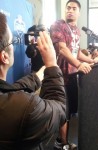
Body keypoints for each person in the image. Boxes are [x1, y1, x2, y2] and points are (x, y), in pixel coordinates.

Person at [0, 12, 66, 150]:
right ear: (4, 57)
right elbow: (59, 109)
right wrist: (52, 64)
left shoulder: (9, 100)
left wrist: (40, 74)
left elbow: (9, 90)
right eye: (12, 42)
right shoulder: (27, 107)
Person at [50, 0, 95, 149]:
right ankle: (62, 143)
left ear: (78, 13)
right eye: (68, 8)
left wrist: (92, 61)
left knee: (69, 112)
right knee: (64, 111)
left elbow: (76, 53)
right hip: (60, 77)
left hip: (72, 77)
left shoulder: (76, 31)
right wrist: (79, 65)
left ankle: (62, 140)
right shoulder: (58, 25)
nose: (70, 10)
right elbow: (63, 50)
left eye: (74, 8)